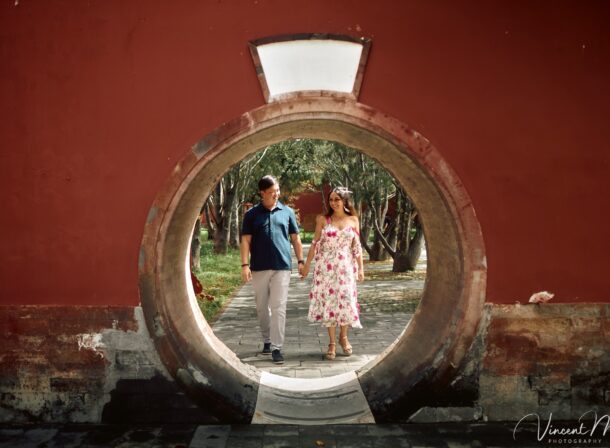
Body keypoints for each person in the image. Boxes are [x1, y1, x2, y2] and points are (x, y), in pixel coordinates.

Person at [240, 175, 304, 365]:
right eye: (271, 192)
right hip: (259, 267)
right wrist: (244, 265)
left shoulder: (287, 212)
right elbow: (245, 240)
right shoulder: (251, 215)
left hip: (282, 266)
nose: (275, 194)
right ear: (262, 193)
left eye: (277, 190)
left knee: (279, 307)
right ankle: (267, 340)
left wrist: (300, 261)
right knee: (262, 307)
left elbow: (295, 238)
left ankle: (277, 347)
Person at [301, 187, 364, 360]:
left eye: (337, 199)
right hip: (326, 268)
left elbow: (356, 246)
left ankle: (344, 337)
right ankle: (332, 343)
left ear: (344, 201)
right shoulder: (323, 219)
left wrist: (361, 268)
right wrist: (307, 266)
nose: (334, 203)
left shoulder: (353, 220)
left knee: (345, 301)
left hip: (345, 268)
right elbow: (315, 243)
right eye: (331, 200)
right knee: (330, 303)